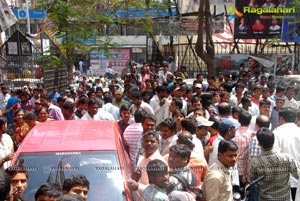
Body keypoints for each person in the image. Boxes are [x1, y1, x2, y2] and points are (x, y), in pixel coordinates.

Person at [248, 127, 300, 201]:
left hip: (265, 198)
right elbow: (298, 174)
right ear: (273, 141)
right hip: (285, 198)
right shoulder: (287, 158)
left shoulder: (256, 162)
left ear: (259, 144)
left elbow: (251, 179)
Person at [273, 107, 300, 200]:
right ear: (295, 118)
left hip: (283, 181)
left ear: (281, 119)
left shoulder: (276, 133)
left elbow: (274, 156)